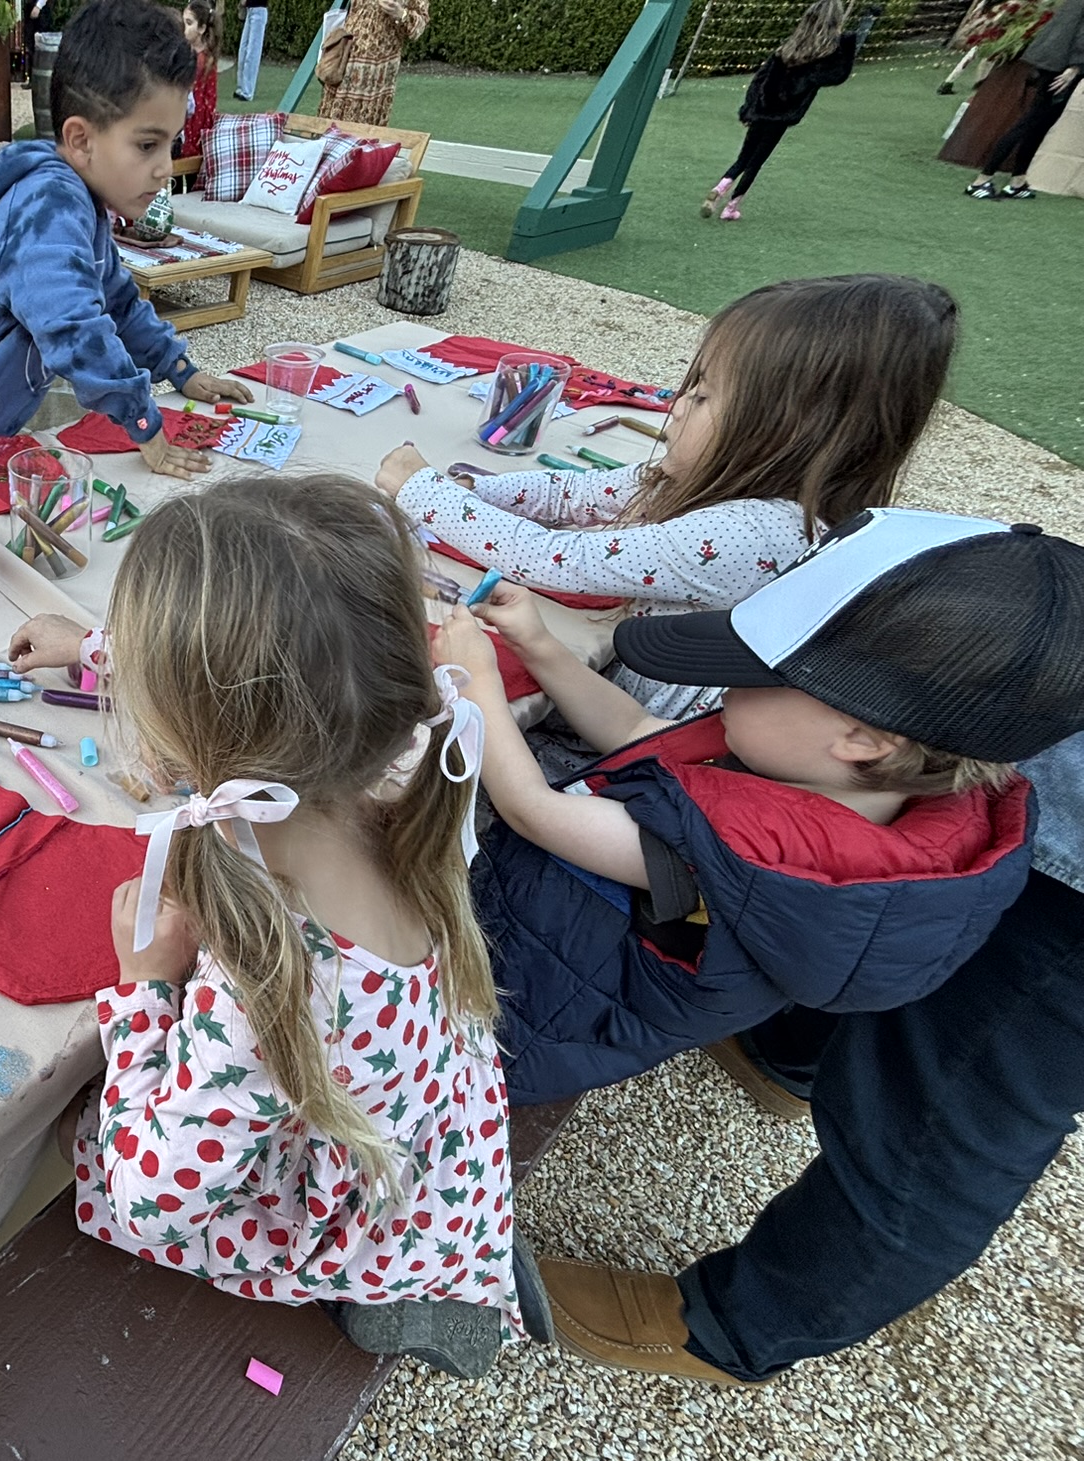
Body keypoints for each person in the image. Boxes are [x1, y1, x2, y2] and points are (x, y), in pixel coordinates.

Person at [28, 475, 539, 1377]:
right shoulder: (400, 766)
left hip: (355, 1198)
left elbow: (156, 1196)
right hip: (438, 1125)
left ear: (186, 737)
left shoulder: (270, 982)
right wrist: (97, 650)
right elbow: (278, 682)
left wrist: (147, 987)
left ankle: (410, 1291)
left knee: (91, 1150)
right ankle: (465, 1241)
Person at [428, 507, 1081, 1109]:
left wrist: (475, 684)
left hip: (504, 1018)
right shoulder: (853, 779)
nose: (722, 683)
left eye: (750, 671)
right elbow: (634, 732)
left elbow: (530, 809)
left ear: (864, 737)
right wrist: (539, 644)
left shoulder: (736, 850)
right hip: (554, 943)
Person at [542, 733, 1084, 1385]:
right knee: (903, 923)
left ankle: (741, 1325)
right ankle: (784, 1059)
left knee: (945, 1118)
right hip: (1023, 775)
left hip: (1067, 867)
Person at [376, 274, 958, 720]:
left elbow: (556, 558)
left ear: (791, 428)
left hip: (638, 731)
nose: (675, 407)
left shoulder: (761, 528)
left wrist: (424, 491)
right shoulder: (726, 479)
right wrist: (480, 489)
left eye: (703, 397)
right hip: (607, 682)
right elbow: (573, 492)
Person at [0, 0, 251, 477]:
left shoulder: (83, 203)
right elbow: (74, 328)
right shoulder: (48, 205)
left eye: (172, 144)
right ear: (81, 140)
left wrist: (180, 370)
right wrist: (145, 428)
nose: (165, 168)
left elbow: (117, 301)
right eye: (147, 144)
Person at [700, 0, 865, 221]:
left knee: (744, 156)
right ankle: (731, 207)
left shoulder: (787, 48)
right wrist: (850, 42)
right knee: (757, 160)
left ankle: (721, 187)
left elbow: (760, 79)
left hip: (762, 109)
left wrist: (749, 108)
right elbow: (838, 76)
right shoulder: (824, 56)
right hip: (782, 115)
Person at [965, 0, 1083, 199]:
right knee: (1031, 122)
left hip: (1053, 59)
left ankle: (1017, 181)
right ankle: (982, 180)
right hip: (1063, 66)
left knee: (1038, 125)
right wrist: (1075, 67)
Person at [317, 0, 430, 128]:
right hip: (345, 55)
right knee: (331, 120)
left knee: (367, 128)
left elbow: (419, 27)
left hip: (378, 71)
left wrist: (401, 13)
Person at [179, 1, 220, 158]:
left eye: (189, 23)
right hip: (187, 122)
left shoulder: (202, 59)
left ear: (202, 29)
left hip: (195, 127)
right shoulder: (189, 53)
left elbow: (205, 100)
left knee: (190, 172)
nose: (184, 27)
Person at [234, 0, 268, 100]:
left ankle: (248, 92)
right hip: (250, 10)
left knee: (252, 52)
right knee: (243, 50)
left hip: (259, 10)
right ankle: (241, 87)